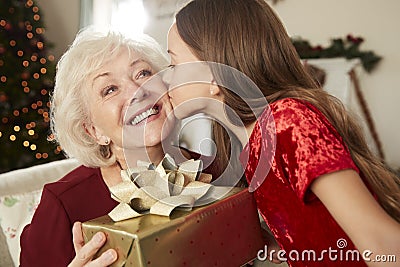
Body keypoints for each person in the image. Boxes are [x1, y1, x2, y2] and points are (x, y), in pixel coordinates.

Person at [164, 0, 400, 266]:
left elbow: (380, 241)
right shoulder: (249, 147)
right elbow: (311, 240)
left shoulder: (285, 123)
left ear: (212, 75)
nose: (164, 79)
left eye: (173, 65)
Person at [19, 27, 215, 266]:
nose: (137, 92)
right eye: (110, 89)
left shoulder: (218, 167)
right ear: (93, 131)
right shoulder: (63, 206)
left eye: (143, 73)